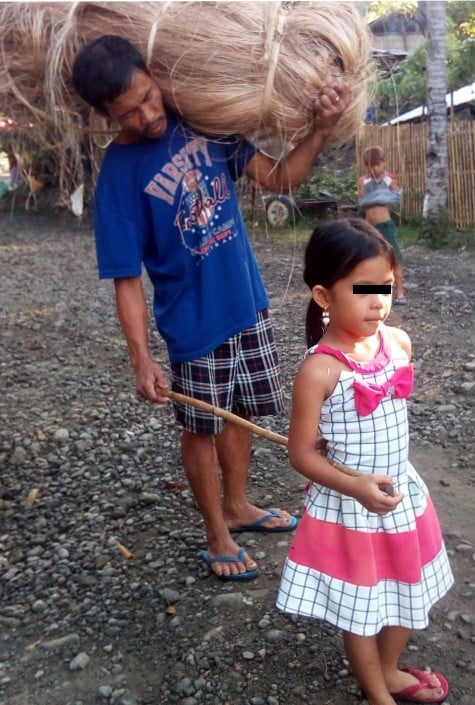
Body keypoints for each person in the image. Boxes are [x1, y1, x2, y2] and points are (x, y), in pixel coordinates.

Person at [71, 35, 349, 582]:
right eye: (129, 112)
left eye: (149, 96)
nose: (149, 115)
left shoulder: (202, 120)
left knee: (239, 411)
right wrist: (141, 359)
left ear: (152, 72)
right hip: (192, 324)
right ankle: (215, 531)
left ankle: (239, 505)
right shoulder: (119, 177)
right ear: (105, 114)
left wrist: (318, 130)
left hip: (247, 303)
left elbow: (277, 178)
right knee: (201, 427)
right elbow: (125, 279)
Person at [276, 219, 454, 704]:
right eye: (364, 289)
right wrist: (351, 484)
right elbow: (300, 453)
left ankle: (391, 668)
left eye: (388, 287)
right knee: (362, 608)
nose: (379, 301)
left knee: (405, 590)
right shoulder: (319, 370)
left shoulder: (398, 344)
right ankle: (378, 693)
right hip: (351, 508)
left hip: (400, 497)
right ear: (323, 296)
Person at [358, 146, 407, 305]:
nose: (375, 168)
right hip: (369, 227)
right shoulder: (363, 181)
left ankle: (400, 292)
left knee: (393, 257)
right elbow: (362, 202)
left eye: (377, 164)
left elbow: (396, 197)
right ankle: (376, 291)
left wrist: (379, 195)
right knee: (369, 258)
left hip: (385, 225)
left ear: (383, 163)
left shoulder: (389, 179)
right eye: (371, 165)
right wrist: (378, 196)